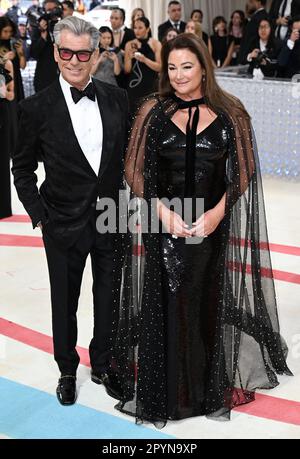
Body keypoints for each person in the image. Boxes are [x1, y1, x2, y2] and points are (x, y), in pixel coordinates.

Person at [111, 33, 292, 426]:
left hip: (210, 227)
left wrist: (216, 214)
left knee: (205, 300)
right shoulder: (151, 111)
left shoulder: (232, 112)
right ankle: (172, 390)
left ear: (204, 67)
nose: (178, 75)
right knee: (168, 301)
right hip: (166, 225)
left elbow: (244, 171)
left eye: (186, 66)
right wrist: (160, 211)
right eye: (172, 67)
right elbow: (132, 168)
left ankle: (205, 387)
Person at [12, 16, 129, 406]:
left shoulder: (116, 99)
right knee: (64, 299)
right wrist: (39, 214)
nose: (75, 60)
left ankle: (103, 362)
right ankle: (66, 367)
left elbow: (129, 158)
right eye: (67, 52)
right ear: (57, 53)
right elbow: (23, 168)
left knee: (108, 295)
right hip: (61, 221)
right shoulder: (35, 108)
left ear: (96, 55)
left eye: (83, 53)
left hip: (111, 215)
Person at [124, 17, 161, 115]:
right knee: (134, 115)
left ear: (147, 29)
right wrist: (129, 57)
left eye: (140, 28)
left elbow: (160, 67)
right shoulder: (129, 44)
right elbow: (127, 70)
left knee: (151, 114)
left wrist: (144, 60)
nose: (137, 30)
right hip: (134, 85)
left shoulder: (155, 44)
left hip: (151, 85)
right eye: (135, 28)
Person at [29, 0, 60, 92]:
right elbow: (33, 53)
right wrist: (43, 36)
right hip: (44, 76)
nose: (51, 13)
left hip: (62, 75)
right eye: (48, 10)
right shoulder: (39, 27)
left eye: (53, 9)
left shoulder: (64, 25)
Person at [0, 55, 14, 219]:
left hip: (2, 115)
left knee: (2, 161)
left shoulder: (5, 63)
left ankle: (3, 208)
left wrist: (4, 93)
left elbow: (11, 94)